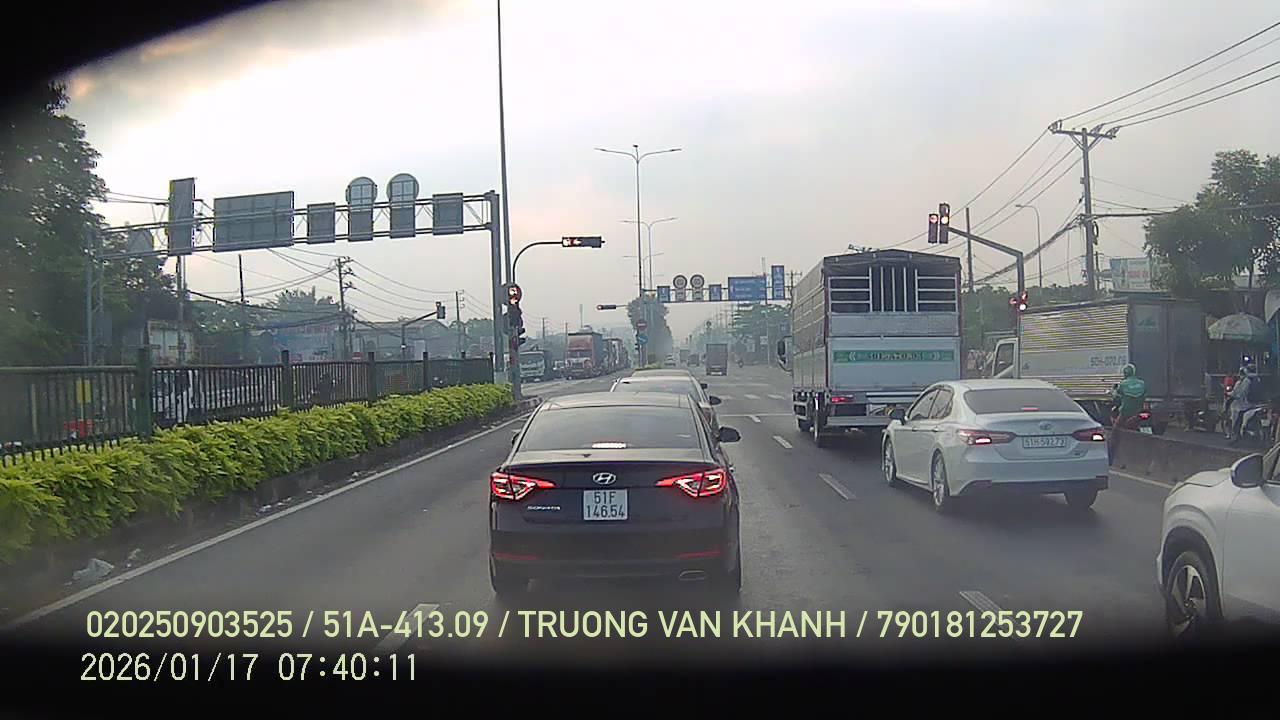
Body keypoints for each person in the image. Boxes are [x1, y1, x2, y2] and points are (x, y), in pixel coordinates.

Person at [1228, 363, 1261, 444]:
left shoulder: (1246, 380)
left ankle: (1236, 437)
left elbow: (1240, 393)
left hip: (1244, 405)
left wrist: (1231, 395)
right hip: (1255, 404)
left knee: (1237, 420)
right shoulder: (1257, 379)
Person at [1111, 363, 1147, 429]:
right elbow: (1144, 395)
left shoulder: (1123, 384)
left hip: (1125, 412)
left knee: (1116, 428)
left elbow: (1116, 397)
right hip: (1139, 411)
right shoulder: (1142, 383)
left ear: (1125, 373)